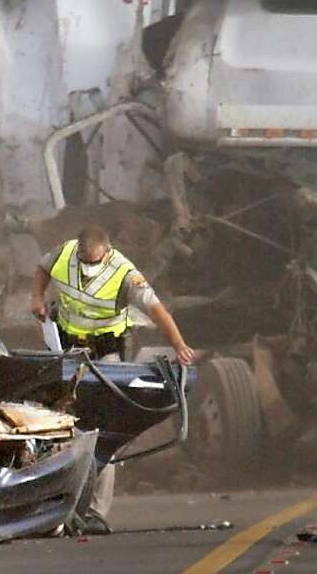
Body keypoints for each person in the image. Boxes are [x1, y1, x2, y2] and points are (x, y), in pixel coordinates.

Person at [30, 224, 194, 535]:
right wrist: (37, 298)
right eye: (85, 261)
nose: (88, 267)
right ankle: (56, 504)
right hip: (67, 348)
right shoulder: (65, 253)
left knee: (101, 430)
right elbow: (42, 268)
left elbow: (156, 309)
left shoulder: (124, 272)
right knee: (61, 423)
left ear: (107, 253)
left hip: (106, 354)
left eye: (95, 262)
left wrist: (178, 345)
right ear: (78, 250)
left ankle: (96, 512)